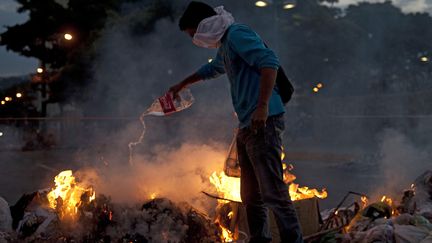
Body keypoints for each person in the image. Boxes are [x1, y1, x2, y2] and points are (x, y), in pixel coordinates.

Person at [169, 2, 303, 242]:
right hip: (247, 125)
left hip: (264, 120)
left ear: (203, 25)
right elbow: (213, 68)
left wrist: (261, 107)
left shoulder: (237, 34)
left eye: (193, 34)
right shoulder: (226, 44)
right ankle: (259, 239)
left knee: (273, 192)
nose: (195, 39)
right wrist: (183, 83)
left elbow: (269, 63)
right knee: (251, 195)